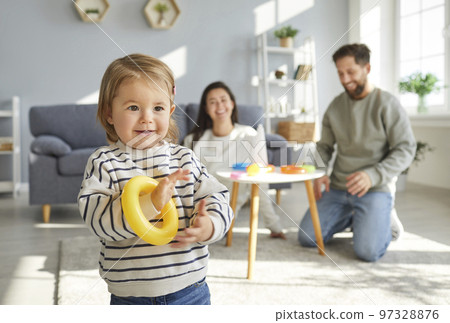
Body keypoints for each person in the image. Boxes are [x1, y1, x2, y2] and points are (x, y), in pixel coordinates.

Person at [78, 54, 233, 305]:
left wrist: (210, 224)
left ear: (170, 111)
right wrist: (150, 203)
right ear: (109, 113)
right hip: (131, 298)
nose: (147, 118)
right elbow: (98, 221)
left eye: (158, 108)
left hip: (190, 290)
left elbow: (217, 196)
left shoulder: (184, 158)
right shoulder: (104, 163)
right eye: (133, 107)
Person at [297, 44, 416, 262]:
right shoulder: (335, 106)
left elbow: (406, 148)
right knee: (306, 237)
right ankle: (357, 218)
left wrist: (373, 175)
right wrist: (318, 171)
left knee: (367, 252)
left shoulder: (388, 104)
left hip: (375, 187)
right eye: (340, 73)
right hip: (339, 187)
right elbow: (324, 146)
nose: (344, 79)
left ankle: (384, 217)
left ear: (367, 68)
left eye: (350, 72)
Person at [183, 81, 285, 239]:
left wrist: (274, 226)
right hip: (197, 203)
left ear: (232, 103)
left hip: (225, 209)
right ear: (205, 108)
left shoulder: (249, 136)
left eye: (223, 100)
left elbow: (260, 183)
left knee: (211, 231)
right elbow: (186, 183)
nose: (219, 106)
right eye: (212, 102)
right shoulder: (193, 139)